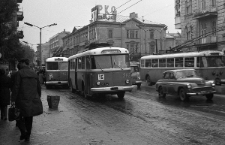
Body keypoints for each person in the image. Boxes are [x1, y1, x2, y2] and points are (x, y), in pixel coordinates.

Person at [11, 58, 43, 141]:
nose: (19, 64)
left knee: (18, 117)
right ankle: (27, 135)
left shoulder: (19, 73)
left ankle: (24, 132)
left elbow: (16, 87)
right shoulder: (34, 73)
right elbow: (38, 87)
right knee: (29, 118)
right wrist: (38, 97)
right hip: (32, 99)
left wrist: (13, 99)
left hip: (21, 99)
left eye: (20, 63)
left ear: (24, 63)